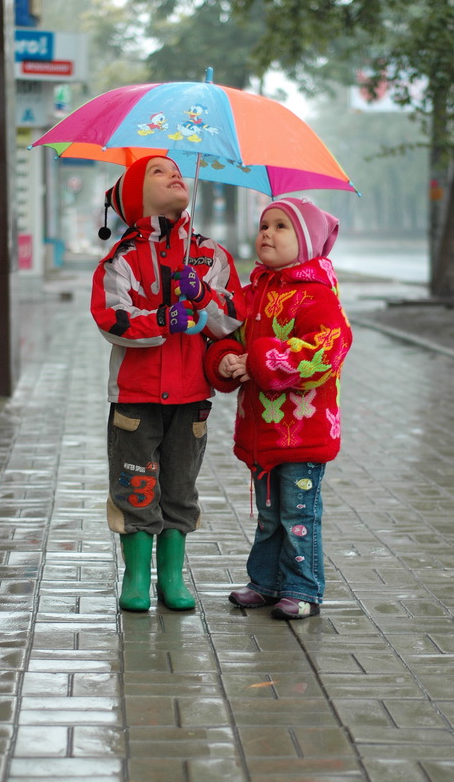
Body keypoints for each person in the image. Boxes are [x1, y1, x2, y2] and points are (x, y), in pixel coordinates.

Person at [91, 155, 246, 613]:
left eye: (177, 169)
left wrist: (203, 296)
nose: (174, 174)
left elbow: (232, 318)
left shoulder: (210, 255)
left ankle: (172, 577)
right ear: (137, 196)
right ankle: (137, 576)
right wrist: (164, 318)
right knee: (136, 486)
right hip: (135, 398)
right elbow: (112, 317)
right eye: (158, 171)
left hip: (191, 396)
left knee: (180, 487)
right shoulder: (122, 258)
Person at [203, 198, 353, 620]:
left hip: (303, 432)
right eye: (264, 224)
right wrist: (228, 359)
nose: (267, 232)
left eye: (281, 226)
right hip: (261, 430)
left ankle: (303, 588)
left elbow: (328, 349)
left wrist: (260, 361)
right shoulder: (254, 292)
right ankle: (265, 582)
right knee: (270, 516)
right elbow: (229, 333)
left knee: (298, 515)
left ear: (305, 243)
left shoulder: (317, 295)